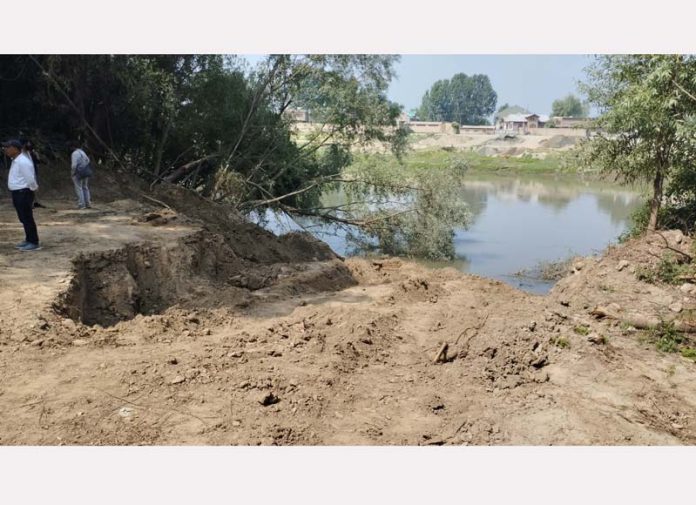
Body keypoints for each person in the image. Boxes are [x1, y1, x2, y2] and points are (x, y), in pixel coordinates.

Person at [2, 139, 41, 251]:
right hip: (18, 193)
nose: (5, 149)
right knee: (23, 217)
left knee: (27, 217)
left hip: (23, 192)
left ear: (15, 149)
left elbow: (30, 178)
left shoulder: (22, 161)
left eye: (8, 147)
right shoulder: (16, 160)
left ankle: (33, 241)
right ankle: (29, 239)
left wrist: (33, 189)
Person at [21, 139, 45, 209]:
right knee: (28, 188)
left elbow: (37, 161)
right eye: (28, 144)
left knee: (33, 188)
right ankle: (29, 203)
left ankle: (34, 202)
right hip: (27, 173)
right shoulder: (22, 154)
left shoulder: (31, 153)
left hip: (33, 172)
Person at [70, 141, 92, 209]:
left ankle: (81, 204)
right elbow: (88, 160)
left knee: (79, 188)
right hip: (85, 171)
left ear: (73, 147)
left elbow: (74, 165)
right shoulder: (82, 152)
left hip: (78, 172)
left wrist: (72, 173)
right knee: (85, 187)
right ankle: (88, 203)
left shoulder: (74, 154)